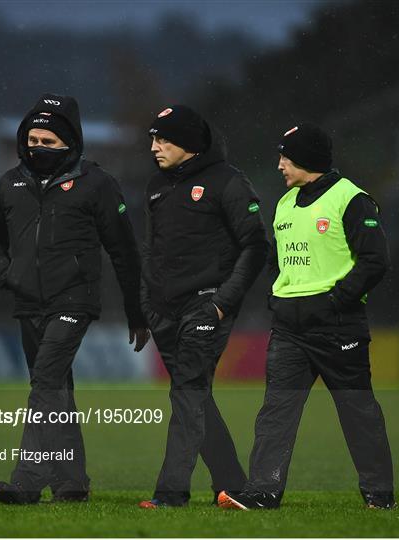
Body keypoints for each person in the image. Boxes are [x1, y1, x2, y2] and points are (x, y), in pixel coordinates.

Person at [0, 93, 148, 504]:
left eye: (48, 142)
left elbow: (124, 251)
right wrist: (9, 275)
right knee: (57, 390)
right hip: (27, 303)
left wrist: (136, 311)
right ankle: (72, 483)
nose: (38, 148)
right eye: (33, 140)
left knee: (46, 381)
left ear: (70, 142)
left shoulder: (98, 184)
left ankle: (28, 480)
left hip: (74, 301)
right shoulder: (9, 184)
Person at [218, 123, 395, 510]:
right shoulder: (284, 202)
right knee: (276, 411)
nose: (279, 164)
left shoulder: (352, 199)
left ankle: (378, 494)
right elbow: (278, 260)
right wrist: (280, 295)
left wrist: (335, 300)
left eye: (286, 157)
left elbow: (375, 261)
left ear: (308, 160)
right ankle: (263, 492)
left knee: (357, 411)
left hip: (337, 326)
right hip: (288, 327)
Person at [139, 105, 269, 508]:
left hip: (205, 307)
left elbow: (255, 246)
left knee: (188, 394)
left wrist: (221, 303)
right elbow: (153, 251)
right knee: (193, 396)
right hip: (163, 311)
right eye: (153, 139)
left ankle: (170, 494)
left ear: (191, 145)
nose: (155, 147)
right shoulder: (157, 187)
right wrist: (145, 304)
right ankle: (232, 484)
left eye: (164, 139)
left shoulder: (228, 182)